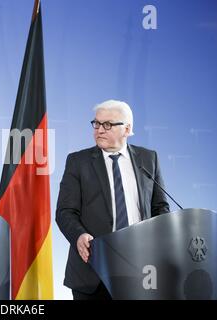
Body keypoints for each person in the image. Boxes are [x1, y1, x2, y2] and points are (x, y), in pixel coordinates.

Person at [55, 99, 170, 300]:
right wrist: (79, 236)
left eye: (107, 124)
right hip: (93, 269)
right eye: (96, 123)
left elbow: (160, 207)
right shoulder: (77, 162)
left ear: (127, 129)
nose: (99, 129)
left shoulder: (148, 159)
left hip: (141, 269)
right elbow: (65, 211)